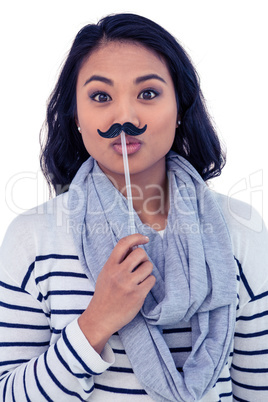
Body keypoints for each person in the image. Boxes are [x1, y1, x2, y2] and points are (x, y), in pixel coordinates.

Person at [0, 13, 267, 402]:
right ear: (76, 115)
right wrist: (98, 321)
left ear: (180, 109)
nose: (124, 117)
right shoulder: (32, 238)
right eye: (100, 97)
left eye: (147, 94)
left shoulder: (239, 231)